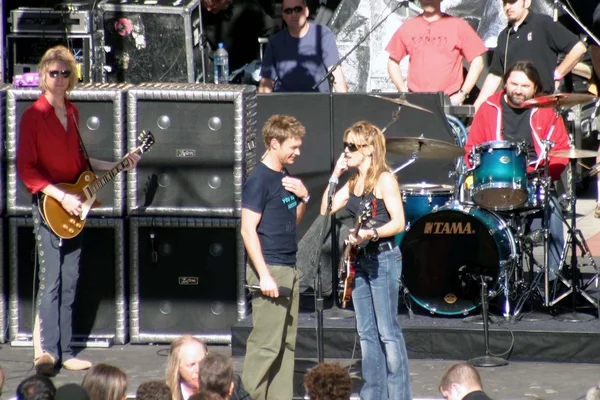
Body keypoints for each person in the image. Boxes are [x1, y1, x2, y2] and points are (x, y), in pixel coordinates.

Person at [16, 45, 140, 374]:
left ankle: (66, 350)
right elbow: (27, 170)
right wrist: (61, 196)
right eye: (53, 72)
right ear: (43, 76)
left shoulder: (72, 112)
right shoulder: (32, 116)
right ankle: (47, 352)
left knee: (70, 278)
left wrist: (117, 164)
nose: (58, 78)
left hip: (74, 203)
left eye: (65, 73)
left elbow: (81, 164)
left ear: (72, 78)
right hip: (51, 203)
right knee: (51, 280)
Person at [320, 121, 411, 399]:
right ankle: (374, 394)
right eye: (344, 145)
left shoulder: (384, 179)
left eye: (352, 146)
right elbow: (326, 208)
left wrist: (370, 233)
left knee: (387, 332)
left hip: (383, 259)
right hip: (358, 262)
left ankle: (398, 394)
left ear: (369, 149)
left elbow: (398, 223)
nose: (346, 151)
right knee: (367, 332)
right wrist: (335, 175)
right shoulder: (352, 182)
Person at [465, 61, 570, 281]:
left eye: (524, 86)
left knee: (554, 213)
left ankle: (553, 280)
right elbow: (471, 149)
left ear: (535, 88)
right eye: (513, 84)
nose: (518, 90)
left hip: (534, 180)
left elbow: (561, 151)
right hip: (496, 182)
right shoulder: (488, 108)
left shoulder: (547, 111)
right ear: (505, 83)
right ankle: (488, 279)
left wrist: (544, 175)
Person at [241, 115, 309, 400]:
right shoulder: (259, 179)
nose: (298, 152)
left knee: (286, 345)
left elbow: (292, 219)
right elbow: (247, 230)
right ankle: (250, 396)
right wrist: (265, 275)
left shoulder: (284, 177)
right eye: (292, 147)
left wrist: (304, 198)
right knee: (265, 345)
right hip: (270, 268)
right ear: (274, 143)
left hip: (288, 267)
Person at [473, 0, 587, 110]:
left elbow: (578, 49)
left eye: (513, 2)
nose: (508, 6)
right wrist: (477, 108)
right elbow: (494, 76)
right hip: (513, 107)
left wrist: (557, 74)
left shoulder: (543, 23)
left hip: (542, 105)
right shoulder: (504, 36)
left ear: (527, 2)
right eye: (505, 3)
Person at [386, 0, 487, 105]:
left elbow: (478, 61)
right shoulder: (408, 27)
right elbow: (392, 62)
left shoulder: (458, 25)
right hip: (416, 101)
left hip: (448, 101)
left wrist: (463, 94)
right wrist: (403, 92)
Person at [258, 0, 347, 93]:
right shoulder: (275, 42)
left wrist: (345, 104)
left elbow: (336, 73)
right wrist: (263, 105)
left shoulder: (323, 34)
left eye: (298, 9)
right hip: (284, 102)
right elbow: (267, 81)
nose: (293, 14)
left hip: (318, 101)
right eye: (288, 11)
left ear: (306, 11)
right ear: (283, 16)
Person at [201, 0, 276, 75]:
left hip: (245, 66)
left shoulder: (246, 8)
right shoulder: (204, 12)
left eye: (213, 5)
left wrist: (268, 61)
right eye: (205, 5)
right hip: (218, 65)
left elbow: (271, 28)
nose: (208, 9)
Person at [165, 335, 250, 400]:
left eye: (202, 362)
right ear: (177, 368)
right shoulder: (166, 394)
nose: (199, 369)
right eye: (191, 365)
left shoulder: (227, 381)